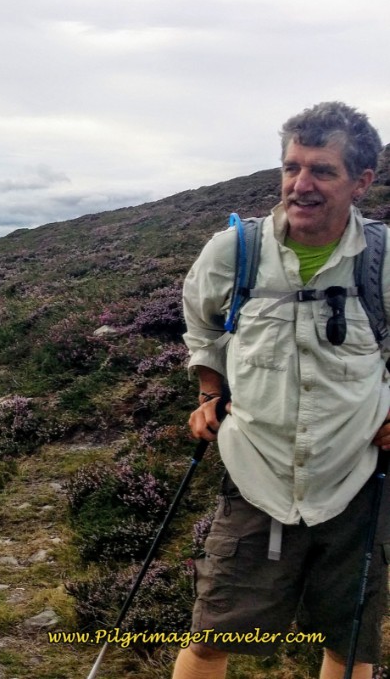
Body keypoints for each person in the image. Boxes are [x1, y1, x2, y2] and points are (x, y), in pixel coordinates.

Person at [177, 101, 389, 679]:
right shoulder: (236, 252)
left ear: (361, 182)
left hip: (355, 481)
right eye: (292, 167)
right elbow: (201, 324)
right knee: (212, 638)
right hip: (256, 475)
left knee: (349, 647)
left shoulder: (384, 260)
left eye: (321, 170)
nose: (301, 184)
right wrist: (207, 393)